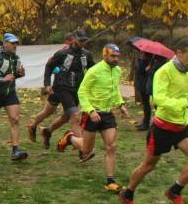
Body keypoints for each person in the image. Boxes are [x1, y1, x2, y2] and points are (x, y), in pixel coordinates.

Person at [118, 38, 188, 204]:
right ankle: (127, 194)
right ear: (179, 53)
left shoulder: (187, 70)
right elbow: (158, 100)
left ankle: (174, 191)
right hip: (162, 127)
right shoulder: (164, 72)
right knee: (148, 166)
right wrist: (185, 103)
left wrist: (185, 108)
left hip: (182, 126)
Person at [62, 44, 131, 190]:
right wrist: (91, 111)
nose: (116, 59)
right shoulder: (94, 71)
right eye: (113, 56)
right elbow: (82, 92)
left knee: (111, 146)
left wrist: (121, 105)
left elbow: (115, 90)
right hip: (92, 114)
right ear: (105, 55)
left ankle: (110, 181)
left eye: (118, 56)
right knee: (86, 150)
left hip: (107, 114)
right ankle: (70, 138)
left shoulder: (117, 71)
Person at [33, 31, 93, 150]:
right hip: (62, 87)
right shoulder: (62, 53)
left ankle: (48, 131)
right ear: (74, 39)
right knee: (75, 116)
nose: (83, 42)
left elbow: (93, 69)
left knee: (65, 117)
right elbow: (49, 65)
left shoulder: (86, 54)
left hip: (77, 90)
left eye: (84, 40)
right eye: (81, 40)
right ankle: (83, 150)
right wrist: (47, 84)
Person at [0, 33, 28, 161]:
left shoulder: (16, 58)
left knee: (15, 119)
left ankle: (15, 150)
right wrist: (2, 80)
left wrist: (20, 74)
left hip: (9, 93)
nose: (15, 45)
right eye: (12, 43)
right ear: (4, 43)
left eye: (16, 43)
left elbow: (13, 76)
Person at [133, 51, 155, 131]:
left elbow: (141, 70)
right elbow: (138, 70)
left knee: (148, 104)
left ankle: (147, 124)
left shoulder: (150, 61)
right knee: (145, 104)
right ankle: (145, 123)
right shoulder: (141, 59)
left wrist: (147, 68)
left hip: (146, 85)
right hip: (141, 84)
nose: (141, 54)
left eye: (143, 53)